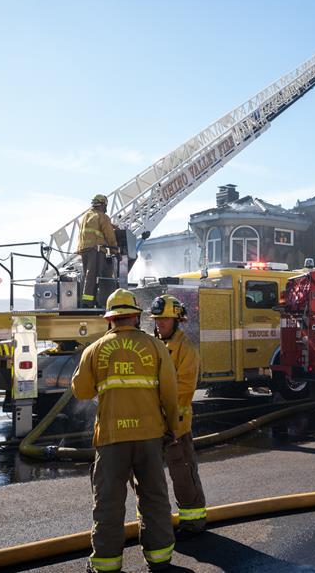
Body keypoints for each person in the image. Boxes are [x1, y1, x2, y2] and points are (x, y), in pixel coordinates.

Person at [71, 288, 179, 572]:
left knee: (109, 501)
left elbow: (81, 391)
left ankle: (106, 563)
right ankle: (160, 558)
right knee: (154, 497)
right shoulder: (155, 347)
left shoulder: (94, 350)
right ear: (136, 317)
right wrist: (173, 428)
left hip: (111, 437)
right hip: (150, 435)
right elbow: (170, 392)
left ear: (110, 319)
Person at [149, 294, 208, 535]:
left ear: (176, 320)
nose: (159, 323)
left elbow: (183, 390)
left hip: (176, 426)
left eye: (165, 319)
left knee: (182, 474)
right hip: (150, 425)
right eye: (157, 319)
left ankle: (193, 522)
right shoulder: (150, 344)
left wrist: (165, 419)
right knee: (149, 480)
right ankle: (153, 526)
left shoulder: (187, 350)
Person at [77, 194, 118, 308]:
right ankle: (88, 302)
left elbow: (92, 228)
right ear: (102, 204)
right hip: (96, 250)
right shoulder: (103, 217)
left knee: (88, 275)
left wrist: (110, 224)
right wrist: (115, 250)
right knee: (93, 276)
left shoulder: (86, 216)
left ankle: (90, 300)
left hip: (84, 249)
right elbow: (110, 235)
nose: (106, 208)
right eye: (105, 205)